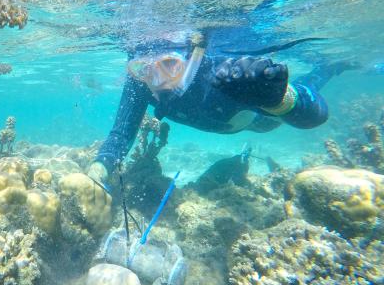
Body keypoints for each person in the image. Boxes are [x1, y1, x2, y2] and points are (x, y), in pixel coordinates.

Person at [87, 30, 355, 183]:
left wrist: (277, 99)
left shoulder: (225, 75)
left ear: (192, 59)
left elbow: (315, 116)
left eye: (169, 65)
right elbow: (121, 135)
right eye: (143, 68)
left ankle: (328, 67)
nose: (157, 82)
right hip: (228, 125)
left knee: (308, 85)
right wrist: (99, 168)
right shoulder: (140, 84)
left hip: (259, 121)